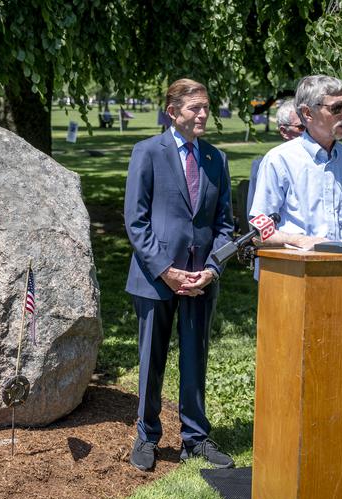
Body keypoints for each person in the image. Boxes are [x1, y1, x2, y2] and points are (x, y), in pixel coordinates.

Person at [124, 78, 235, 471]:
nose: (203, 114)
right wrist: (166, 270)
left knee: (195, 359)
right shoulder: (147, 152)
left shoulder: (215, 159)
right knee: (151, 361)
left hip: (200, 281)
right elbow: (136, 221)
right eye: (195, 108)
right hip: (156, 279)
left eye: (206, 107)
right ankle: (147, 435)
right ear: (173, 113)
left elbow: (225, 225)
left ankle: (195, 439)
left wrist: (212, 268)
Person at [249, 74, 342, 249]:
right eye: (337, 108)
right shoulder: (279, 160)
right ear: (308, 113)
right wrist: (300, 240)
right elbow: (259, 229)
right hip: (292, 271)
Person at [244, 99, 304, 221]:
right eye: (301, 127)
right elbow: (257, 220)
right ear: (284, 131)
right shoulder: (266, 164)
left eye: (309, 126)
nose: (307, 132)